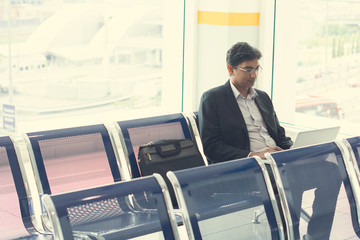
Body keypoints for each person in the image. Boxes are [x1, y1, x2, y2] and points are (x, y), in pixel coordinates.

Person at [198, 42, 340, 240]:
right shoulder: (212, 99)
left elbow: (279, 135)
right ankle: (291, 236)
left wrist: (296, 150)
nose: (254, 75)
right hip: (244, 168)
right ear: (230, 69)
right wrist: (255, 155)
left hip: (278, 164)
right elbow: (212, 147)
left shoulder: (262, 97)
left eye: (257, 68)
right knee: (290, 179)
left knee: (331, 171)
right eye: (248, 69)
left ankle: (318, 235)